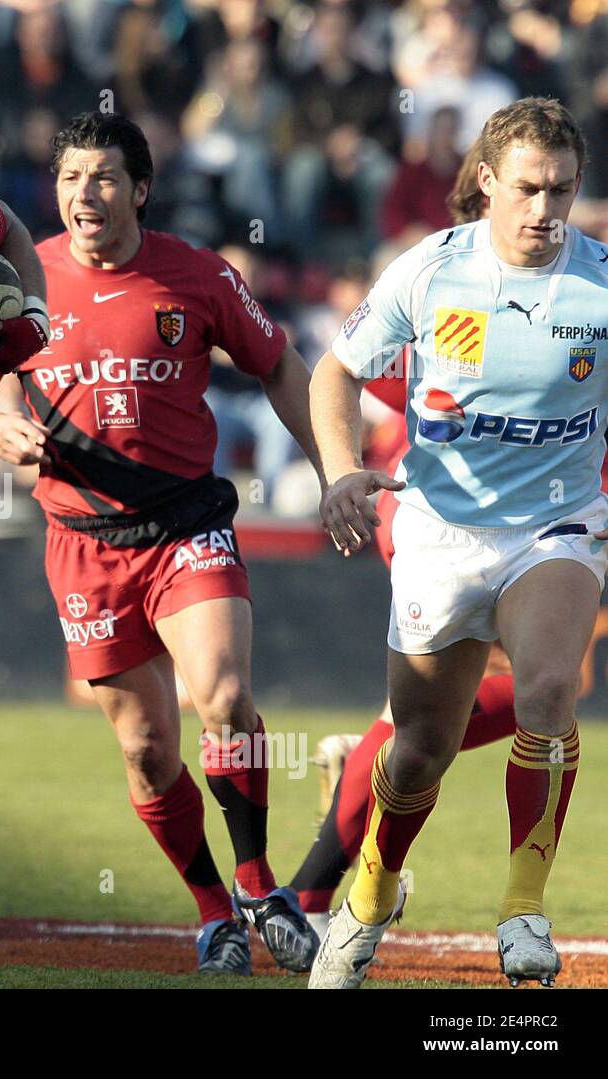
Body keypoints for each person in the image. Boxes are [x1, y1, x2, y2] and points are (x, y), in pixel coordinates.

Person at [0, 112, 321, 975]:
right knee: (147, 750)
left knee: (221, 694)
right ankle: (215, 910)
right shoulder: (16, 278)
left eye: (103, 177)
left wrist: (333, 469)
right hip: (83, 543)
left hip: (188, 524)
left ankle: (258, 882)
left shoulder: (199, 273)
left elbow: (281, 365)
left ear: (139, 190)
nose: (85, 194)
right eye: (71, 177)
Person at [308, 98, 604, 989]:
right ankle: (369, 894)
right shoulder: (430, 273)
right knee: (419, 751)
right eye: (528, 188)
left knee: (552, 685)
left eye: (561, 190)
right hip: (441, 534)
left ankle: (522, 909)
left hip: (557, 525)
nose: (545, 209)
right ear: (486, 180)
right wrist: (340, 470)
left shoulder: (601, 283)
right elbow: (335, 369)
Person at [285, 137, 524, 947]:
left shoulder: (565, 294)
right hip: (436, 515)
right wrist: (347, 466)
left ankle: (366, 772)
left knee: (514, 698)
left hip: (535, 519)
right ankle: (313, 890)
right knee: (486, 702)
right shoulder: (441, 286)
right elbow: (351, 370)